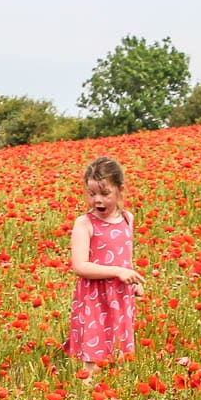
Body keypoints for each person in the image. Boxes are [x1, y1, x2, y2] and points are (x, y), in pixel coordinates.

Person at [62, 156, 144, 379]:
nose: (97, 200)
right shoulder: (85, 223)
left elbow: (125, 257)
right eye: (91, 194)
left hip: (119, 296)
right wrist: (118, 272)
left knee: (118, 353)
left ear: (120, 190)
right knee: (93, 352)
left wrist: (132, 279)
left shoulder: (128, 219)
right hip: (94, 299)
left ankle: (112, 398)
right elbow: (79, 266)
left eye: (104, 193)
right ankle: (87, 395)